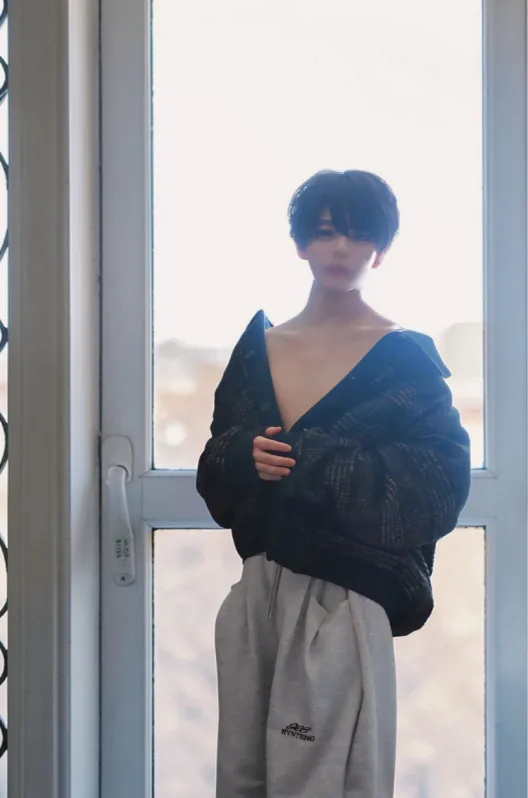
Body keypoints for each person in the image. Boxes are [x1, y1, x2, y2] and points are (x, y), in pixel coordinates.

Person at [196, 169, 471, 798]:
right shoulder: (258, 349)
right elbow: (216, 472)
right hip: (257, 591)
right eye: (324, 233)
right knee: (242, 775)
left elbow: (436, 489)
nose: (342, 248)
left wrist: (308, 461)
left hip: (347, 596)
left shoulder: (405, 360)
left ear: (382, 249)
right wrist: (244, 457)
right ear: (300, 244)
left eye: (359, 234)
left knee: (328, 781)